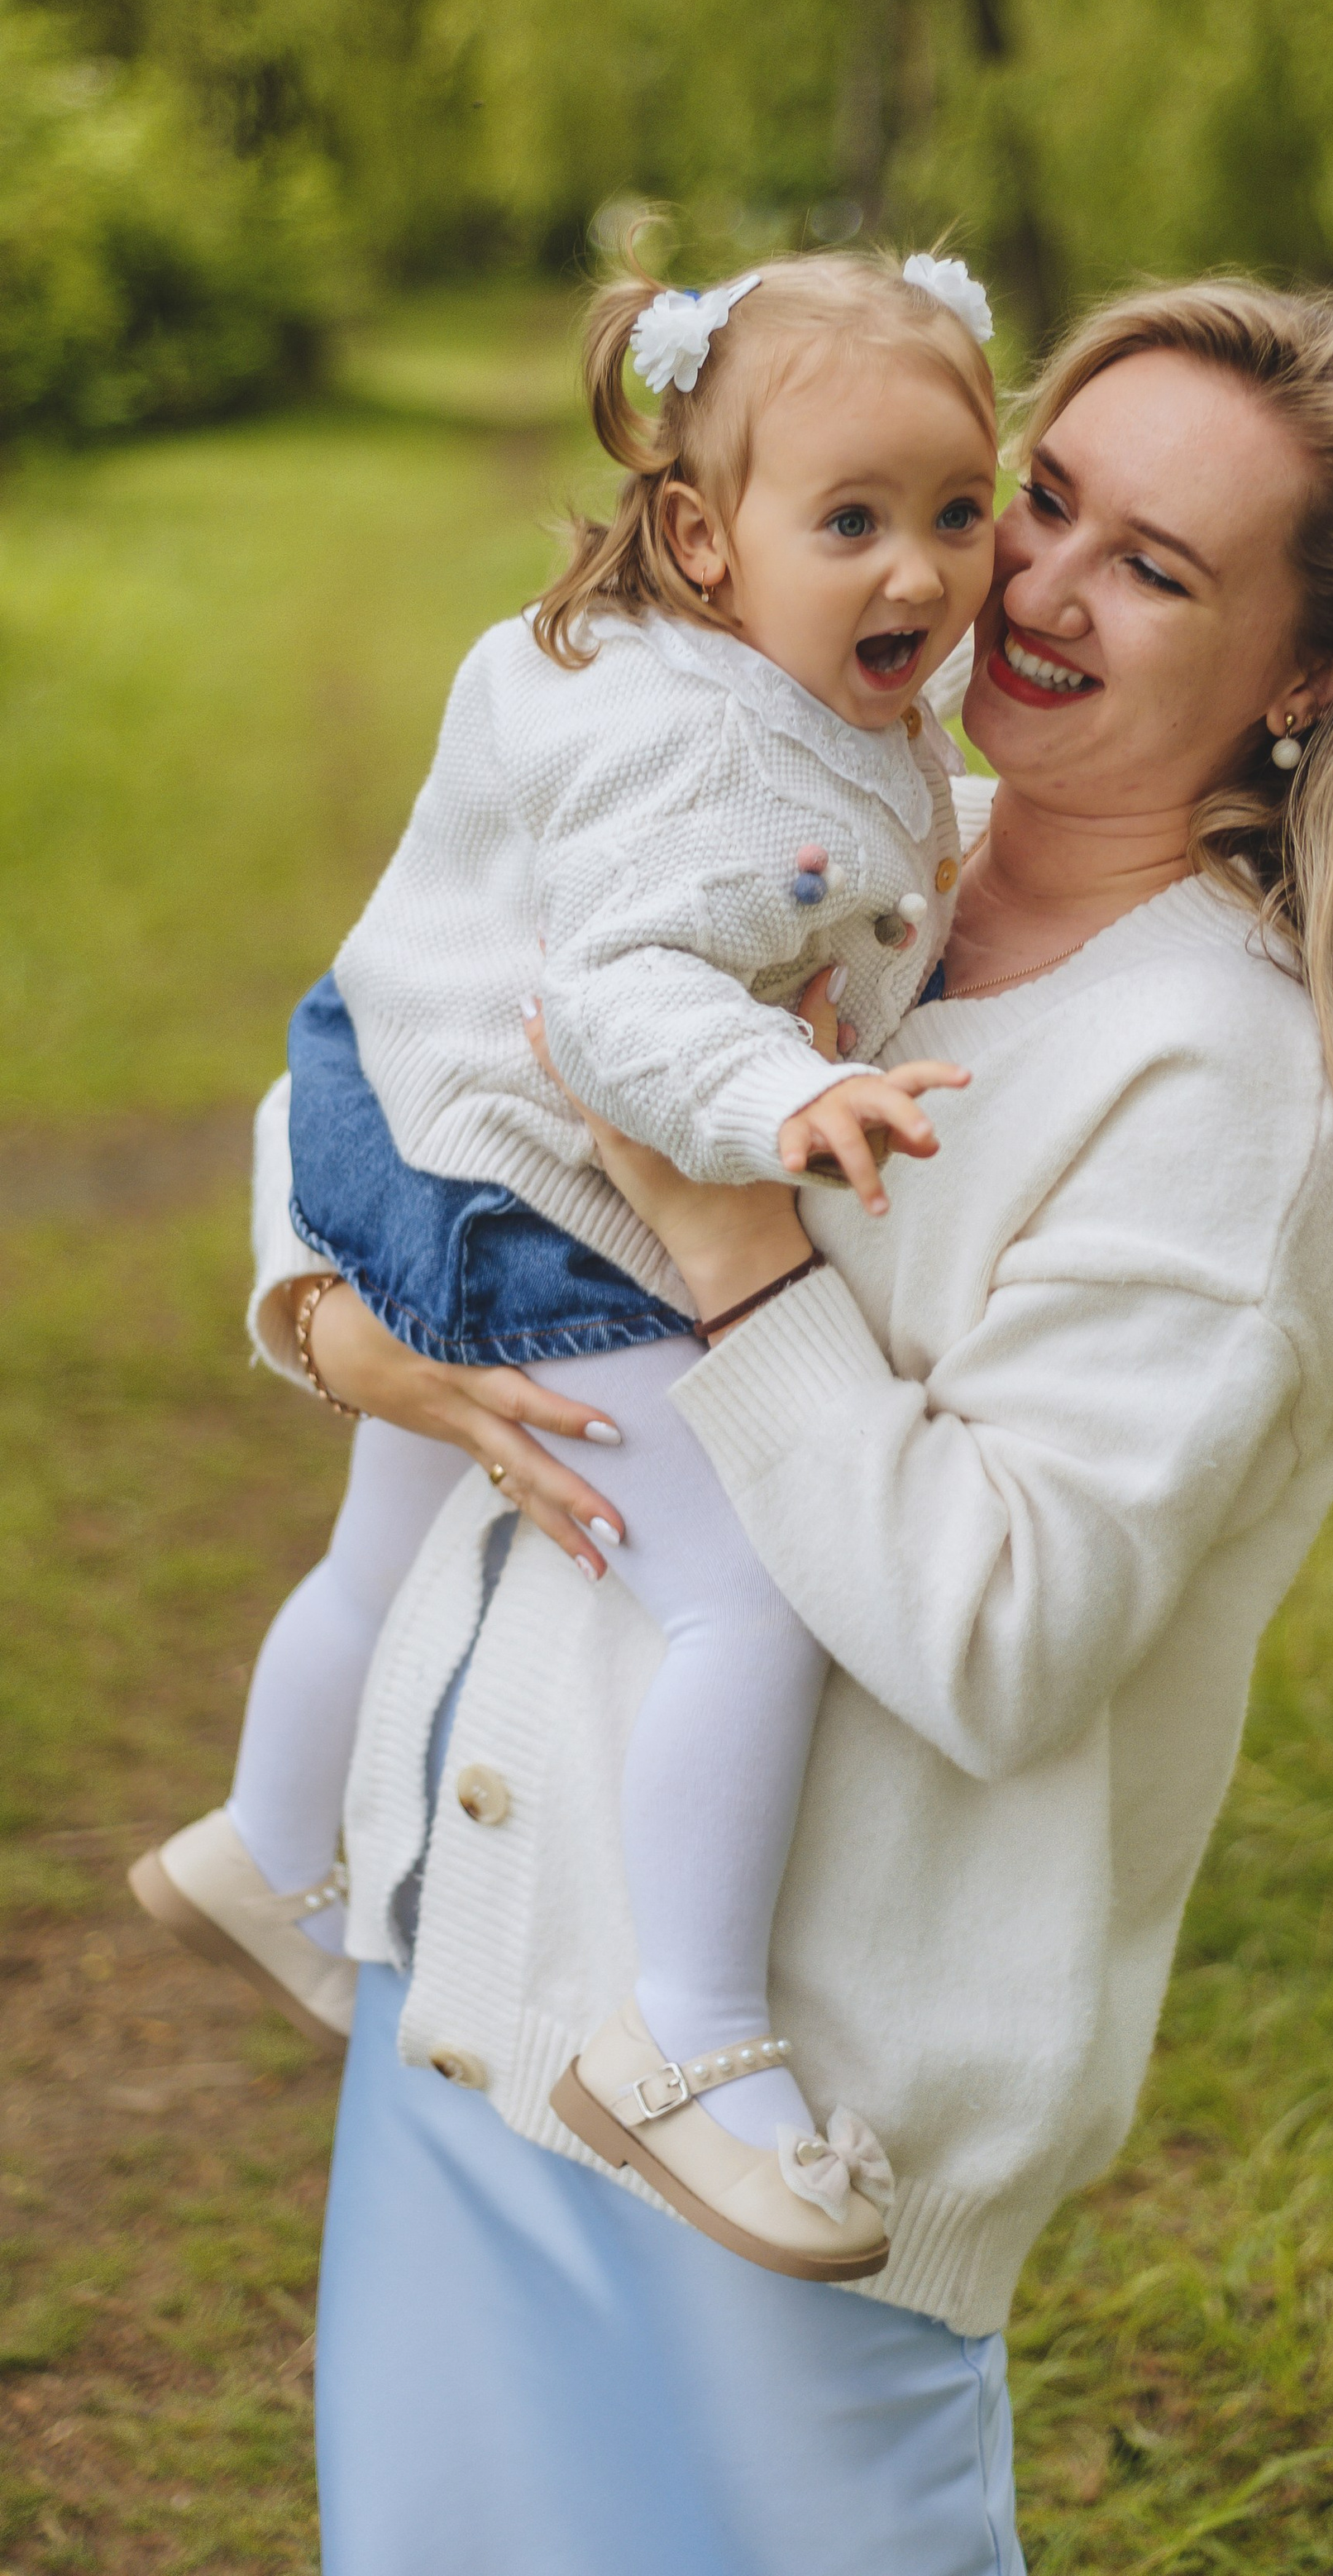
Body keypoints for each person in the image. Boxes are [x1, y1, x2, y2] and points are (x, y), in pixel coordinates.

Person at [245, 280, 1333, 2576]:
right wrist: (335, 1324)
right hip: (483, 1994)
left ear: (1306, 678)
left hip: (789, 2151)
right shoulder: (845, 823)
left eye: (1156, 566)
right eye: (1049, 498)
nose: (1030, 578)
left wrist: (734, 1253)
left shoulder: (1226, 1083)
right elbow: (420, 1019)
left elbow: (1001, 1636)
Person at [132, 250, 1001, 2282]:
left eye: (957, 513)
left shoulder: (687, 669)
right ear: (706, 537)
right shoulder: (713, 760)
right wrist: (775, 1092)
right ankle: (683, 2041)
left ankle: (265, 1845)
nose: (921, 578)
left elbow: (835, 839)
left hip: (393, 1106)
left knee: (378, 1548)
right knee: (747, 1602)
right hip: (524, 1197)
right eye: (852, 524)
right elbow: (626, 990)